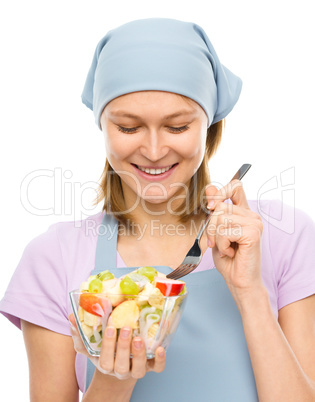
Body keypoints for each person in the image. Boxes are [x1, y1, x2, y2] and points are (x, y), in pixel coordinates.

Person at [1, 18, 315, 401]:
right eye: (129, 128)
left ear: (209, 126)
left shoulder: (284, 235)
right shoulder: (52, 257)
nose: (153, 151)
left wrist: (250, 293)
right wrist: (114, 380)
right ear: (102, 125)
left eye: (178, 127)